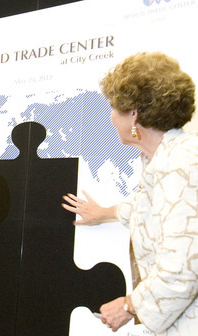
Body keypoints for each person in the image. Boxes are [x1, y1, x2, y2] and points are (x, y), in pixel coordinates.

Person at [62, 52, 198, 335]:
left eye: (115, 108)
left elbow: (182, 270)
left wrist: (129, 306)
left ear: (134, 114)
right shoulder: (166, 157)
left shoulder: (179, 164)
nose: (111, 118)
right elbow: (153, 205)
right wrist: (106, 213)